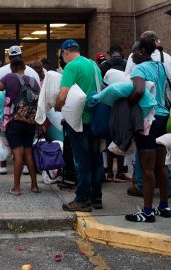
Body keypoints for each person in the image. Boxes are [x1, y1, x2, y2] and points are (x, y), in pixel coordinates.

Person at [125, 38, 171, 222]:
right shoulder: (161, 67)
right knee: (161, 165)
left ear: (142, 50)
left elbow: (138, 91)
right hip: (162, 116)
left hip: (148, 119)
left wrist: (127, 105)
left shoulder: (139, 69)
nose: (132, 55)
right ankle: (164, 206)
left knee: (147, 168)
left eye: (134, 51)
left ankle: (147, 212)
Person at [55, 39, 103, 212]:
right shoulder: (93, 65)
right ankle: (96, 197)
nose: (63, 58)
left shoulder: (71, 67)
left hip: (79, 121)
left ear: (65, 52)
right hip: (95, 120)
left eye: (62, 55)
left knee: (81, 161)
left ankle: (82, 199)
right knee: (95, 159)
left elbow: (63, 94)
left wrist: (57, 106)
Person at [0, 57, 41, 195]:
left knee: (17, 154)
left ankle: (17, 188)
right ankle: (34, 185)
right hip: (30, 121)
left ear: (12, 68)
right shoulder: (34, 81)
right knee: (28, 152)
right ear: (24, 67)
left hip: (14, 121)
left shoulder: (9, 78)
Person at [98, 44, 130, 182]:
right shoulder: (127, 64)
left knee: (110, 136)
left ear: (110, 53)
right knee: (123, 135)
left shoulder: (104, 65)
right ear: (121, 52)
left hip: (108, 104)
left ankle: (110, 172)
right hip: (124, 104)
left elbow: (100, 84)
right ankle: (120, 172)